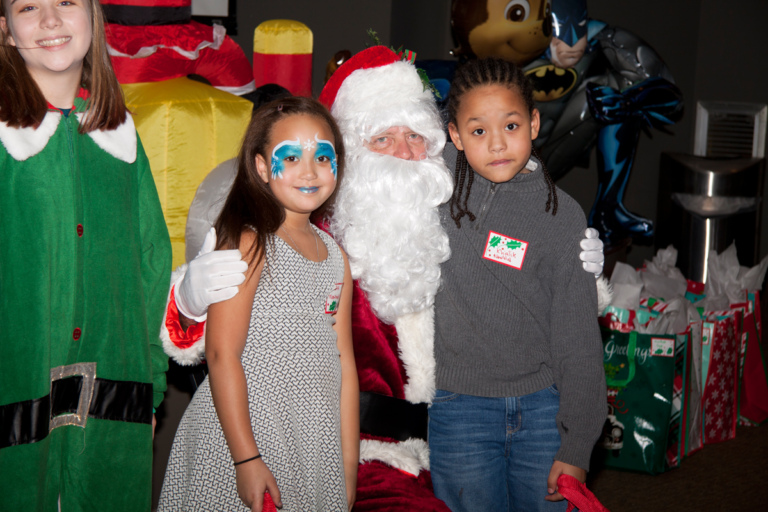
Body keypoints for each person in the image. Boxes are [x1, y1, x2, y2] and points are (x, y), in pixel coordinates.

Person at [161, 47, 609, 510]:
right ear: (353, 153)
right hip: (343, 442)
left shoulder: (443, 196)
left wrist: (581, 267)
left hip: (441, 442)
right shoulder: (316, 225)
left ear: (440, 143)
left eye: (415, 136)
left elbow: (512, 185)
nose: (403, 152)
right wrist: (189, 301)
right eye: (382, 139)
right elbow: (216, 337)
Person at [0, 0, 172, 509]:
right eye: (29, 6)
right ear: (6, 32)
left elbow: (150, 261)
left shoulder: (120, 137)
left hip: (113, 400)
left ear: (94, 19)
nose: (51, 21)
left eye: (67, 2)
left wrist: (153, 384)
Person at [157, 96, 359, 512]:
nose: (310, 170)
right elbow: (220, 352)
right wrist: (246, 457)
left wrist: (347, 464)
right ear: (263, 167)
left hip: (310, 442)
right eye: (291, 157)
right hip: (246, 437)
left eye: (323, 156)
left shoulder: (336, 257)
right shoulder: (250, 240)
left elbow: (344, 363)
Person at [428, 57, 606, 511]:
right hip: (459, 407)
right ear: (454, 136)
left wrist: (577, 442)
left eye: (510, 125)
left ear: (533, 122)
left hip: (545, 409)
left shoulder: (561, 216)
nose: (497, 144)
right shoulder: (431, 187)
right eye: (478, 131)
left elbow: (579, 339)